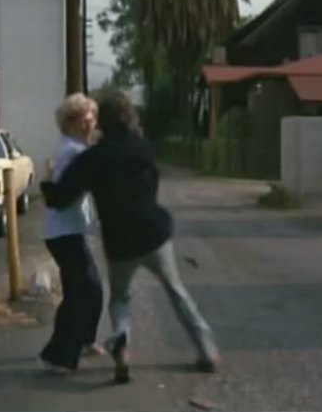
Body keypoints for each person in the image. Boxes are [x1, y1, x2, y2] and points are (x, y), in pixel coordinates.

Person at [41, 91, 221, 384]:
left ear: (103, 123)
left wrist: (49, 187)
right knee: (177, 292)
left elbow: (63, 196)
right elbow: (152, 185)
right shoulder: (144, 148)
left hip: (120, 241)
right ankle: (207, 351)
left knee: (121, 298)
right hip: (154, 234)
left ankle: (122, 347)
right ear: (130, 117)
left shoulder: (93, 158)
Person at [39, 93, 105, 374]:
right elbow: (68, 189)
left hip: (64, 230)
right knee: (85, 291)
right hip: (65, 232)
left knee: (81, 289)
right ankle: (59, 354)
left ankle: (85, 341)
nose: (91, 125)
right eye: (85, 121)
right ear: (71, 123)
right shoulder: (74, 152)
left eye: (92, 120)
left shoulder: (68, 148)